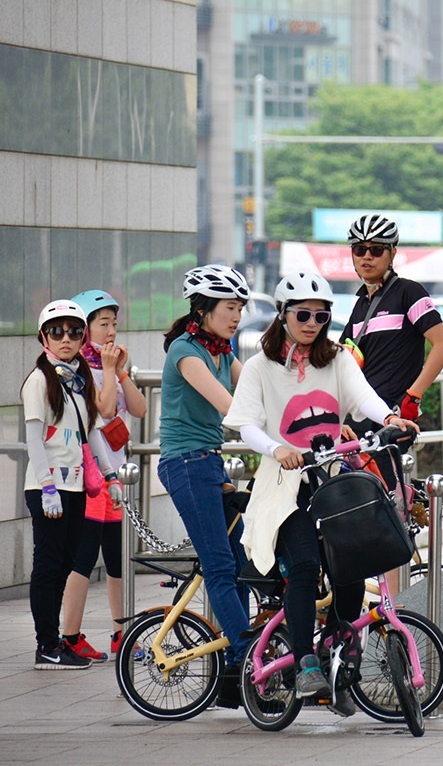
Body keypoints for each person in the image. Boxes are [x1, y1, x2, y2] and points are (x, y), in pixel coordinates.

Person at [224, 271, 419, 717]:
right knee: (307, 567)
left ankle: (336, 658)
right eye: (303, 314)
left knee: (352, 572)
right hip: (282, 484)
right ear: (283, 315)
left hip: (332, 479)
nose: (313, 322)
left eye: (322, 314)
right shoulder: (259, 366)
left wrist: (391, 416)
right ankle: (305, 660)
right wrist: (278, 448)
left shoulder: (337, 360)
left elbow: (364, 398)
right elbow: (248, 424)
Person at [158, 265, 252, 707]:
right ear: (204, 308)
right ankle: (246, 657)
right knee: (219, 567)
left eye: (239, 308)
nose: (236, 316)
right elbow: (232, 407)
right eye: (229, 308)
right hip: (185, 466)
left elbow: (254, 391)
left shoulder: (221, 349)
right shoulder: (186, 351)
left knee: (245, 565)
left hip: (211, 465)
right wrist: (270, 440)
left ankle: (236, 675)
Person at [22, 300, 123, 670]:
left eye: (75, 331)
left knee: (64, 564)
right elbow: (34, 439)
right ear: (43, 336)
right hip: (48, 488)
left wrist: (110, 475)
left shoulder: (78, 378)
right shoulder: (39, 380)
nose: (67, 338)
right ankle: (46, 645)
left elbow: (92, 432)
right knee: (48, 565)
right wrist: (47, 485)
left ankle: (54, 644)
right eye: (57, 331)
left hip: (77, 486)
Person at [58, 290, 147, 661]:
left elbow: (139, 409)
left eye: (114, 323)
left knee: (116, 556)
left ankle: (121, 633)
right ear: (86, 327)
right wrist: (108, 371)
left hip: (113, 476)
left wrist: (121, 371)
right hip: (91, 477)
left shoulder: (112, 364)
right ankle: (69, 635)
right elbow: (105, 409)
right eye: (102, 324)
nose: (110, 331)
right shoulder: (77, 369)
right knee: (84, 556)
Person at [340, 214, 443, 488]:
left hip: (394, 415)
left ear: (392, 253)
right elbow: (341, 361)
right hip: (359, 417)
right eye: (359, 249)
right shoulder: (359, 305)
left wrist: (413, 396)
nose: (367, 257)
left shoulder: (409, 292)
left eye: (376, 250)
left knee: (382, 494)